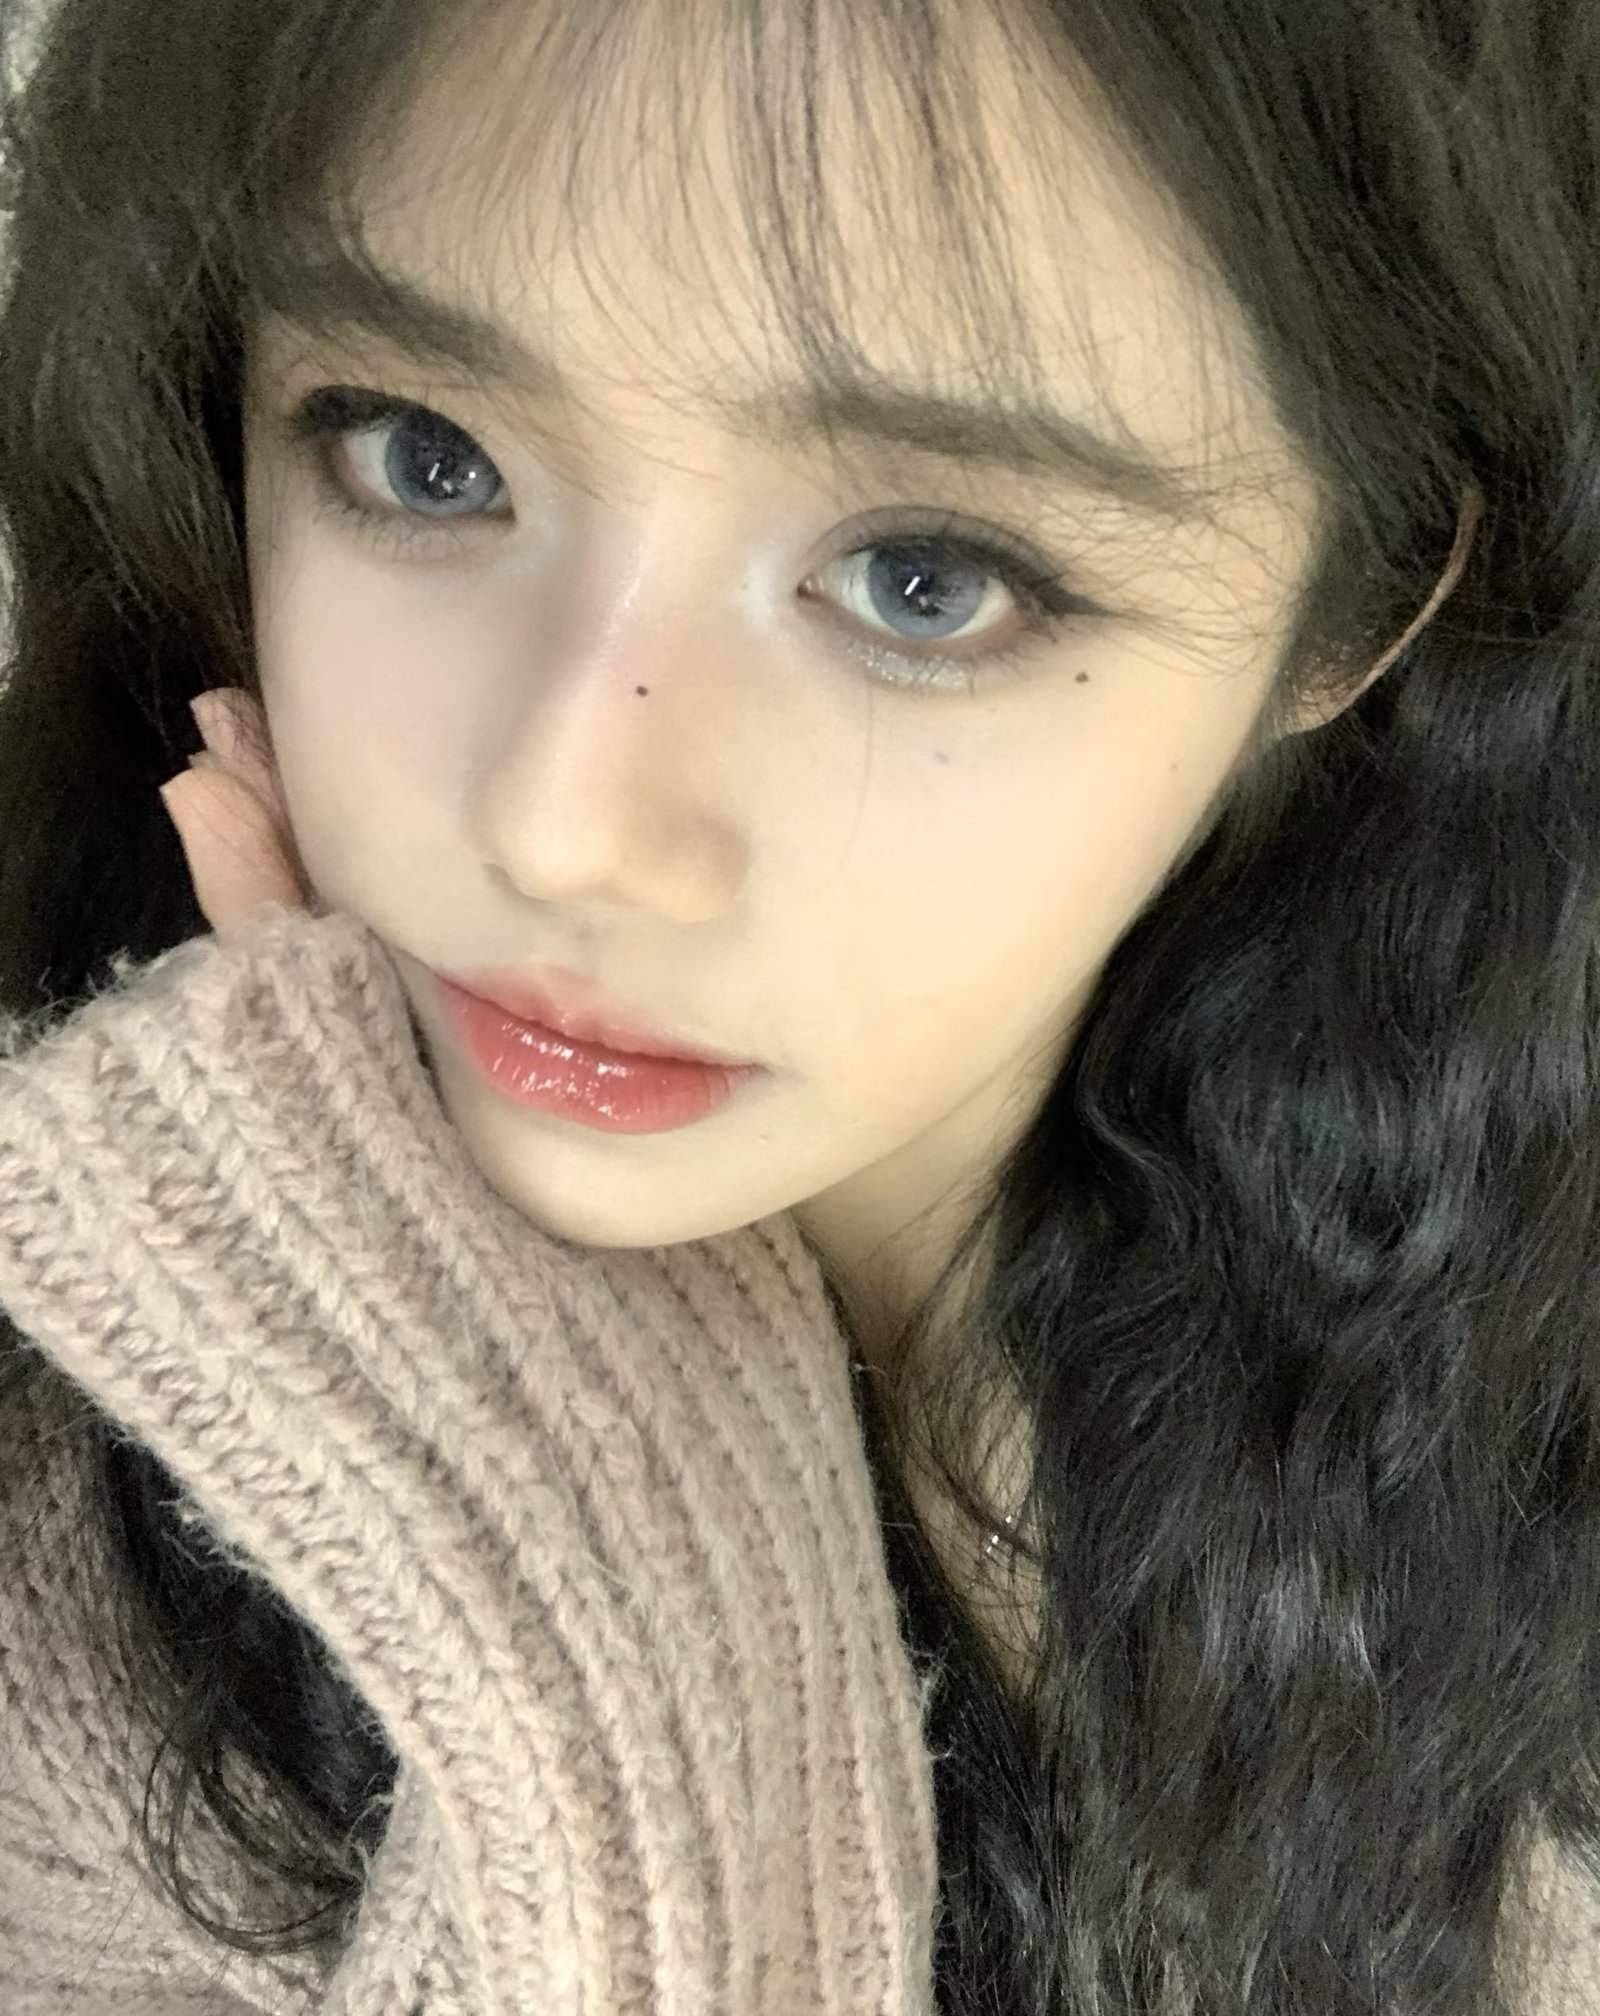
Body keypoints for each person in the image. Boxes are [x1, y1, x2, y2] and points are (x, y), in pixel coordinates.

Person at [1, 0, 1598, 2008]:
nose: (561, 821)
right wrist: (605, 1633)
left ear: (1354, 614)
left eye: (928, 577)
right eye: (426, 457)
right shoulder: (68, 1670)